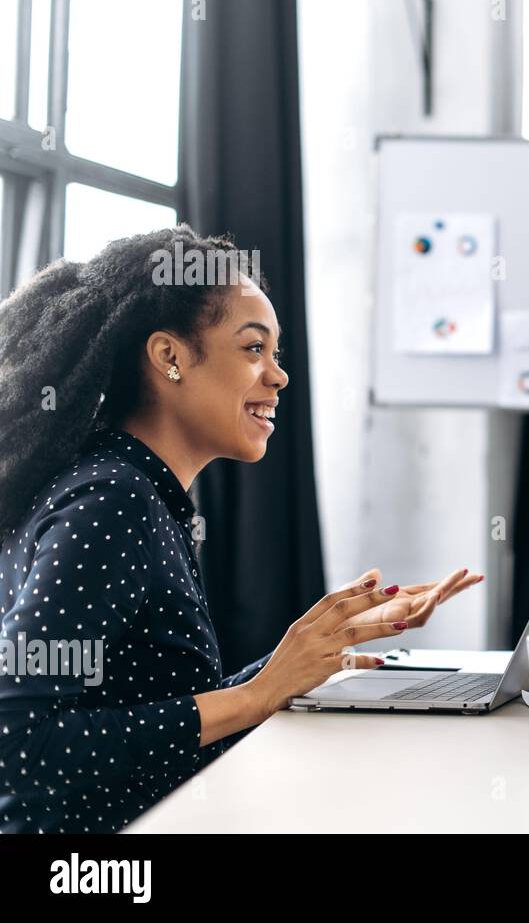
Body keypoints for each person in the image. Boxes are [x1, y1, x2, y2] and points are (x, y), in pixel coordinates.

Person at [0, 227, 482, 832]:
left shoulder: (131, 488)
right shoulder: (114, 499)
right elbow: (14, 744)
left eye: (275, 354)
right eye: (254, 349)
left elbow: (151, 710)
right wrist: (258, 695)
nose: (278, 377)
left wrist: (316, 649)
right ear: (169, 357)